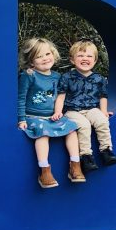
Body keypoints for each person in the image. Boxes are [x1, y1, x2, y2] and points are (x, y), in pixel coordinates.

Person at [17, 38, 85, 188]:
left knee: (72, 128)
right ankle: (44, 170)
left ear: (53, 54)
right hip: (33, 117)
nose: (45, 58)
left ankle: (75, 164)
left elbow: (62, 98)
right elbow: (21, 98)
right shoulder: (29, 75)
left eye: (47, 53)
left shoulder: (57, 76)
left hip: (52, 116)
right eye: (39, 56)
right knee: (43, 133)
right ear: (31, 61)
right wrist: (21, 119)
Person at [55, 40, 116, 173]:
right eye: (80, 56)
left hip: (91, 109)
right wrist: (57, 112)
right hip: (72, 111)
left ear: (95, 60)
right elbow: (61, 96)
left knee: (102, 120)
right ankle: (86, 156)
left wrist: (104, 111)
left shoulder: (99, 79)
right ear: (72, 60)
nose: (85, 59)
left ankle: (106, 151)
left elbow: (102, 96)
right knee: (84, 125)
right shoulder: (67, 77)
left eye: (89, 56)